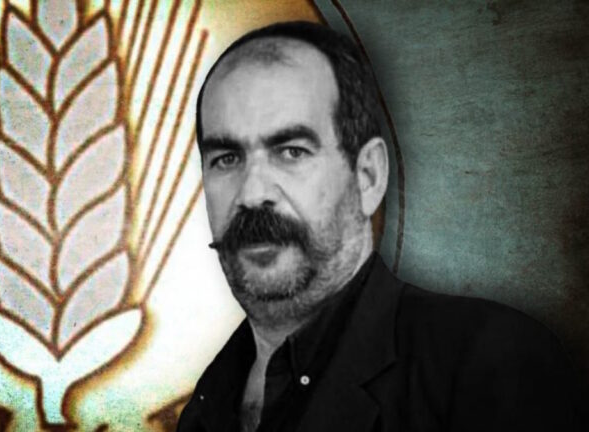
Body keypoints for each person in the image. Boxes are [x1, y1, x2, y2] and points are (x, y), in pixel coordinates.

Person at [176, 21, 586, 432]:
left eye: (291, 151)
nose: (252, 193)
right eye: (226, 158)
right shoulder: (206, 404)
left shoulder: (488, 365)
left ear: (368, 177)